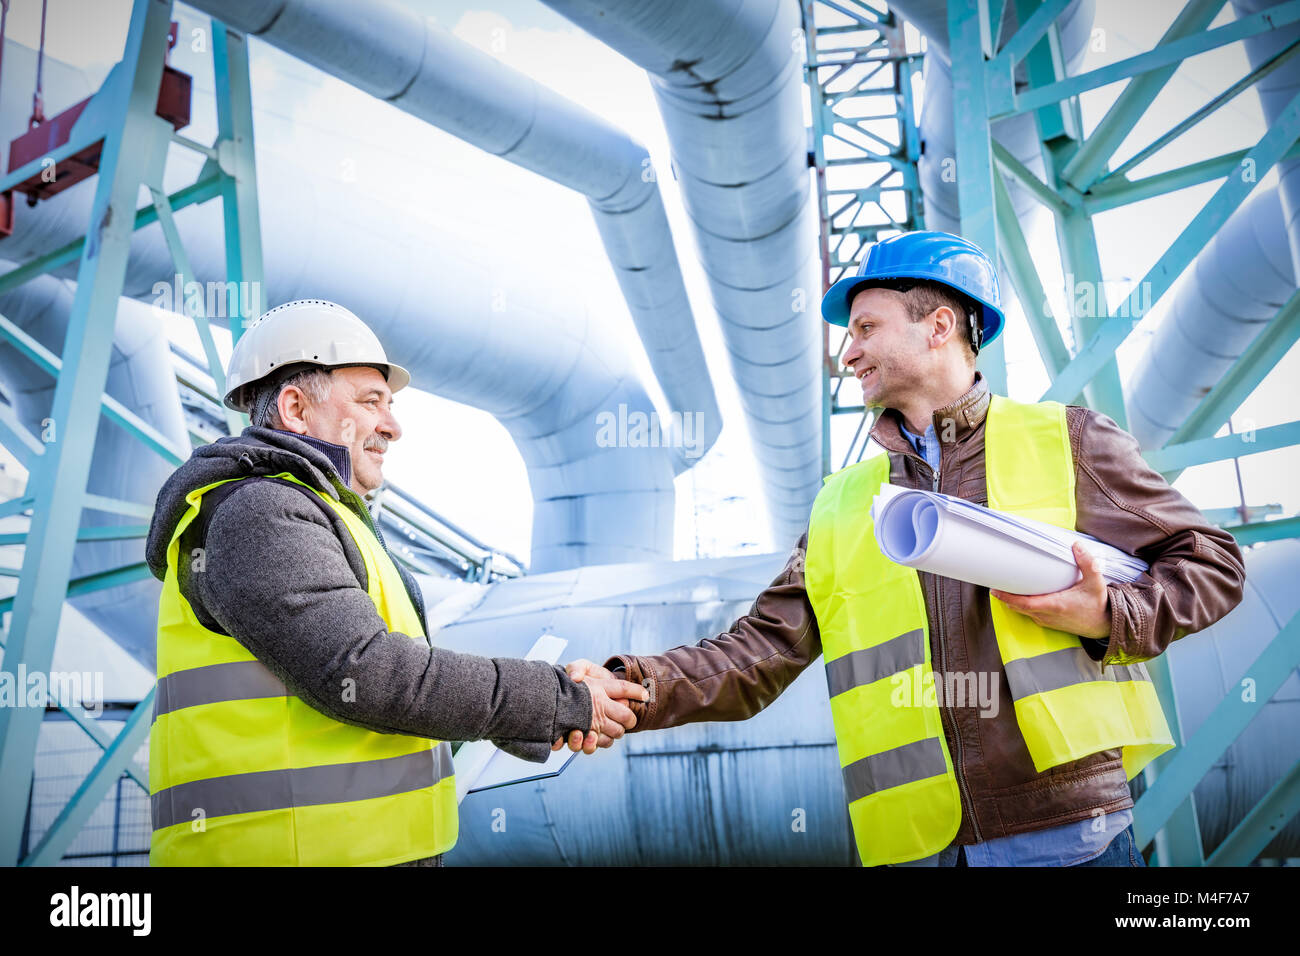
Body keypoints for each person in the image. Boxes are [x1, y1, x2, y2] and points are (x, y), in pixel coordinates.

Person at [557, 231, 1247, 867]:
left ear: (938, 325)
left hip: (1062, 833)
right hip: (916, 842)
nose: (846, 353)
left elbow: (1214, 563)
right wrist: (633, 686)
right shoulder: (842, 502)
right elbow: (759, 651)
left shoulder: (1065, 439)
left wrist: (1109, 618)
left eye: (864, 328)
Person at [145, 298, 647, 867]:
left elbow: (396, 690)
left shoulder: (328, 517)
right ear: (294, 407)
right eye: (370, 403)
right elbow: (365, 672)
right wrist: (555, 697)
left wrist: (548, 709)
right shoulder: (259, 512)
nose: (393, 426)